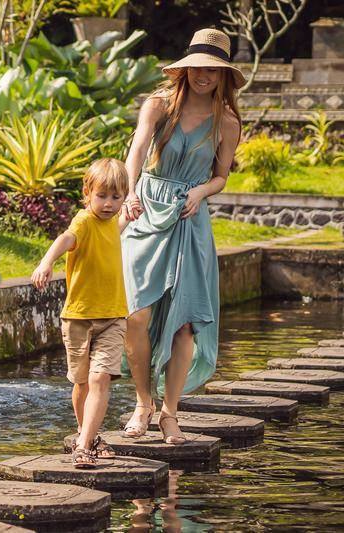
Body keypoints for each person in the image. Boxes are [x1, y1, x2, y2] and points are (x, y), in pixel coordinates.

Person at [118, 28, 242, 445]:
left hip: (191, 218)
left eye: (212, 69)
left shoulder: (226, 121)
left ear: (223, 75)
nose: (203, 76)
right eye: (196, 68)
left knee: (185, 323)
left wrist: (202, 191)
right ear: (184, 69)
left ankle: (170, 413)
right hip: (147, 208)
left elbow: (221, 175)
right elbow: (137, 149)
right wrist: (130, 191)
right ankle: (142, 403)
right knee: (137, 315)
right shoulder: (159, 106)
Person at [30, 158, 131, 468]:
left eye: (116, 197)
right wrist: (46, 262)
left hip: (113, 315)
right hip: (78, 317)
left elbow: (114, 232)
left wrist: (129, 217)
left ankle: (84, 445)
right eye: (102, 196)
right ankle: (86, 432)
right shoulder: (84, 221)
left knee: (101, 378)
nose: (109, 204)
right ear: (88, 193)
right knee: (82, 382)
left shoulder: (113, 222)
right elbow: (66, 239)